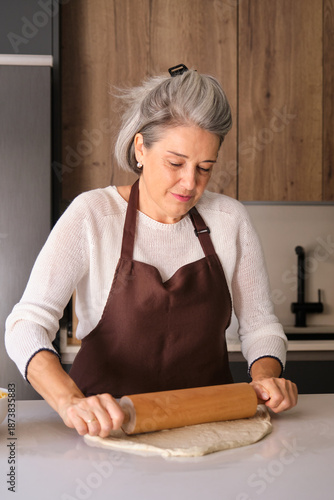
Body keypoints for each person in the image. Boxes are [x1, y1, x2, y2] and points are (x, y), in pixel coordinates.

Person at [5, 65, 297, 438]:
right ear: (140, 147)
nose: (190, 183)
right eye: (175, 163)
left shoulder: (229, 219)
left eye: (205, 168)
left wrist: (267, 377)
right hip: (105, 434)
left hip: (209, 429)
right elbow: (26, 325)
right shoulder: (93, 215)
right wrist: (70, 401)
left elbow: (260, 326)